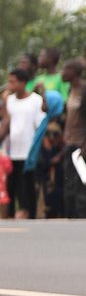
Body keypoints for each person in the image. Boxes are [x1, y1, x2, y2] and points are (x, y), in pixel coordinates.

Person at [1, 68, 48, 219]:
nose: (10, 85)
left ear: (23, 83)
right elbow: (5, 123)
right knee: (10, 187)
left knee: (27, 188)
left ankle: (30, 215)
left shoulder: (35, 100)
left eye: (13, 82)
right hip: (11, 152)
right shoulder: (9, 100)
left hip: (28, 152)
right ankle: (10, 215)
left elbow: (40, 125)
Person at [62, 59, 86, 218]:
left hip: (84, 146)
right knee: (70, 188)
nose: (62, 73)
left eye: (66, 69)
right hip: (70, 146)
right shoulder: (71, 89)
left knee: (85, 190)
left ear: (74, 72)